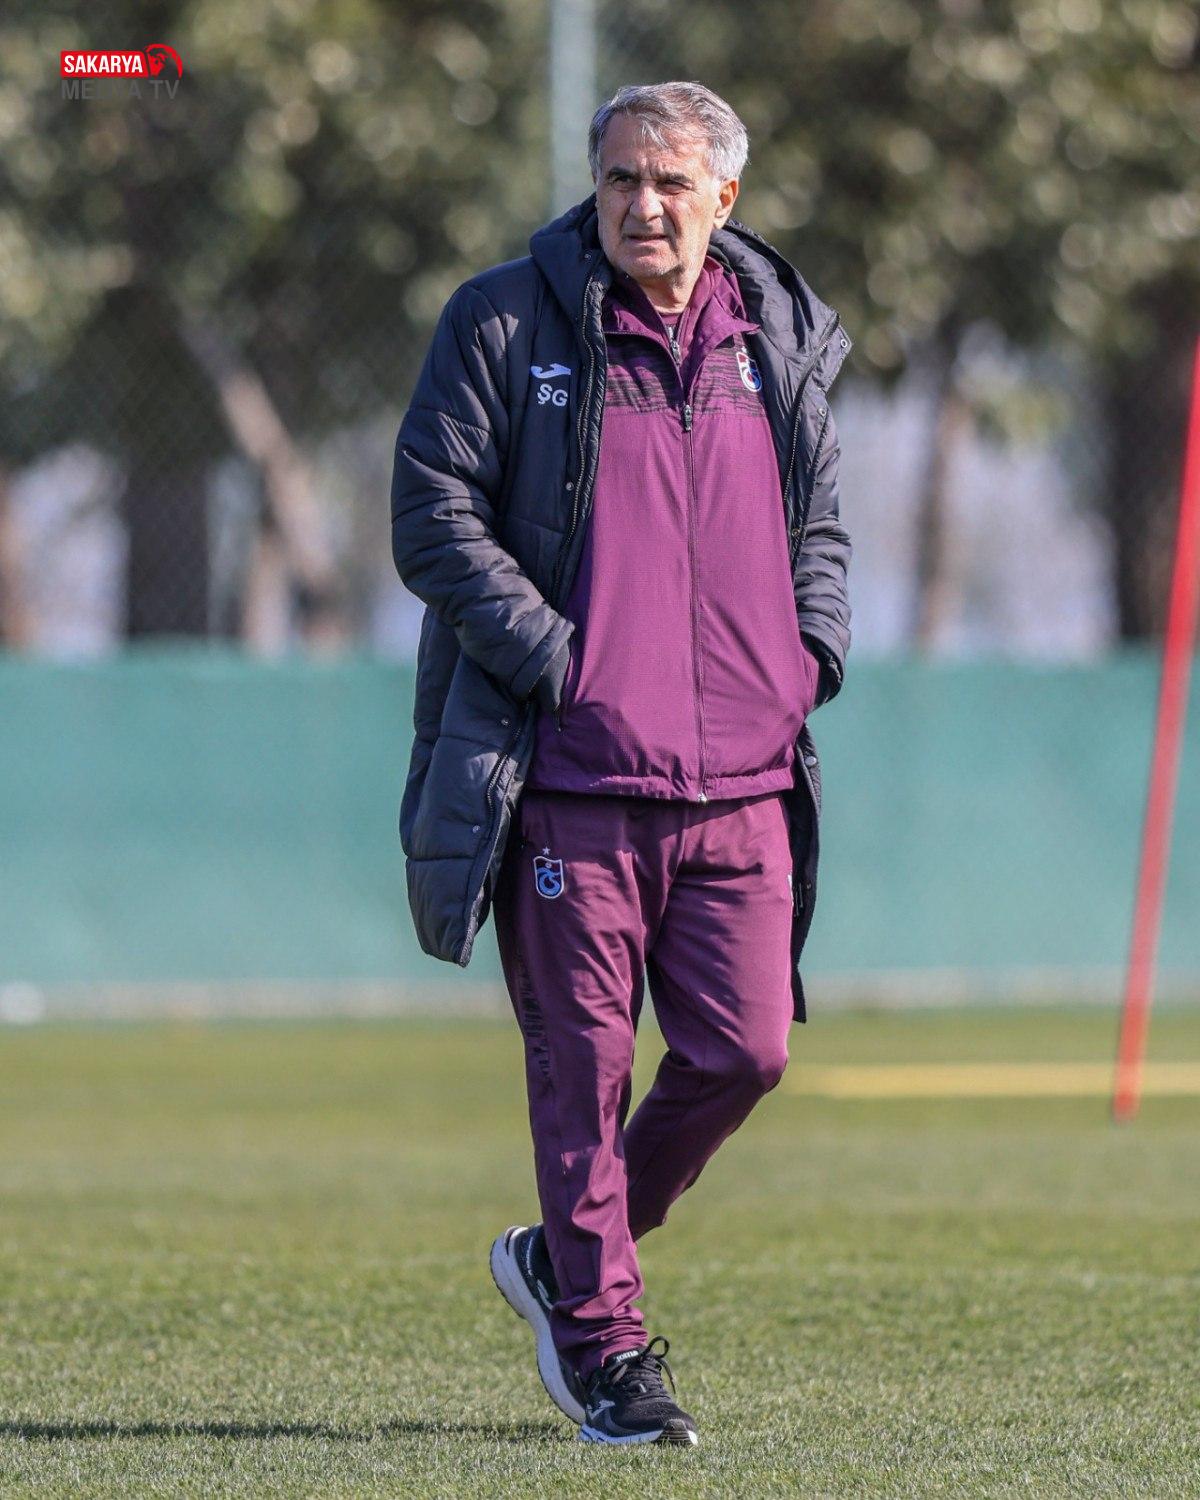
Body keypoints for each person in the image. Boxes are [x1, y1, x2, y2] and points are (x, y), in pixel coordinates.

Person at [390, 81, 851, 1447]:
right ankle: (606, 1351)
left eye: (670, 182)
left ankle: (561, 1258)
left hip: (744, 782)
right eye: (619, 180)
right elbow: (431, 510)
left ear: (725, 197)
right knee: (581, 1076)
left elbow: (823, 524)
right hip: (572, 779)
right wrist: (558, 659)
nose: (642, 206)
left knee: (746, 1053)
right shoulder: (502, 320)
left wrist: (808, 656)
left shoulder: (779, 334)